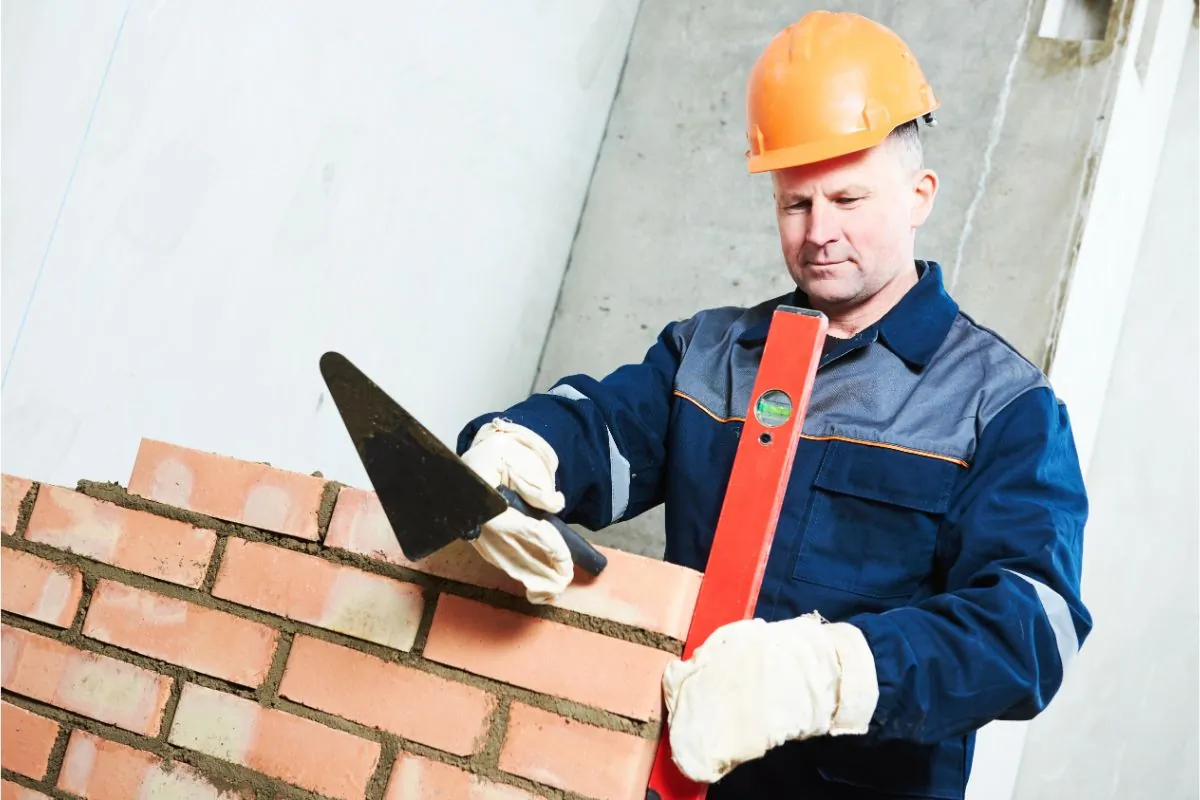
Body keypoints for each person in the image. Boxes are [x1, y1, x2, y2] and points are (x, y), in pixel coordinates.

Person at [456, 10, 1092, 798]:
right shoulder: (711, 354)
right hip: (677, 780)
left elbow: (1031, 631)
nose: (819, 232)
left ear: (919, 195)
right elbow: (599, 430)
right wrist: (517, 447)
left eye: (849, 199)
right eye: (796, 204)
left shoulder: (1002, 405)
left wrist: (831, 674)